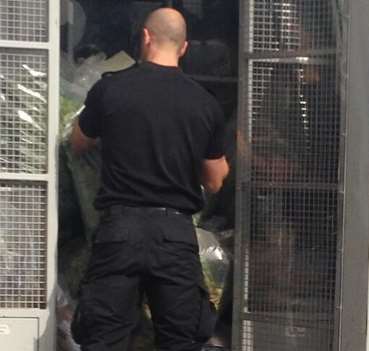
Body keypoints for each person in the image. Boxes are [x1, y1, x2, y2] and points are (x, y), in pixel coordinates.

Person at [70, 8, 229, 351]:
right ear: (184, 47)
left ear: (144, 37)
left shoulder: (110, 89)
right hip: (173, 236)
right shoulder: (204, 104)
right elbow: (215, 181)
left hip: (119, 232)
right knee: (180, 339)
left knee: (103, 339)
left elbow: (79, 142)